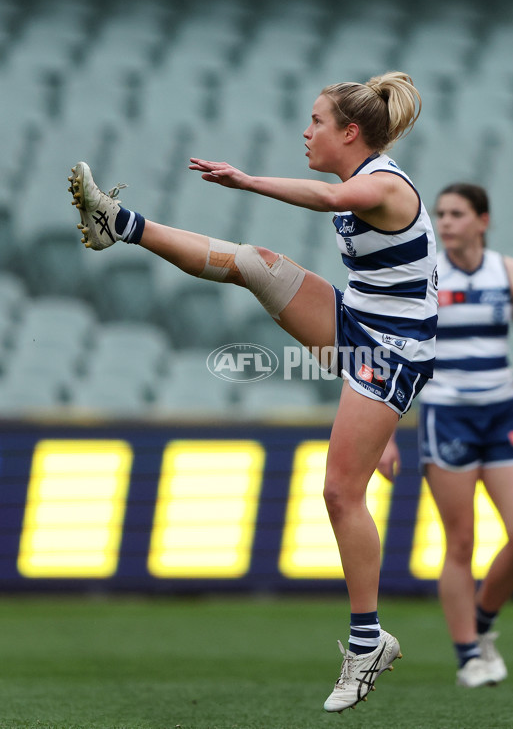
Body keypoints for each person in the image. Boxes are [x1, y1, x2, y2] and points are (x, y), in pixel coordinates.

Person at [67, 71, 438, 712]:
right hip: (359, 322)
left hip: (393, 350)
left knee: (338, 491)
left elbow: (331, 201)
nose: (306, 130)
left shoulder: (383, 184)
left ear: (350, 132)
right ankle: (118, 224)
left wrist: (247, 180)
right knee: (252, 263)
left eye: (317, 121)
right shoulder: (366, 179)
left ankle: (367, 642)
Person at [378, 182, 513, 687]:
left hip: (503, 415)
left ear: (482, 221)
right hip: (447, 416)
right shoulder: (425, 273)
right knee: (460, 541)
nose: (445, 222)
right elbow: (393, 349)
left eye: (457, 214)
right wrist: (383, 433)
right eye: (440, 214)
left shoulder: (511, 274)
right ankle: (468, 654)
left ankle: (483, 621)